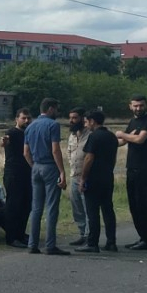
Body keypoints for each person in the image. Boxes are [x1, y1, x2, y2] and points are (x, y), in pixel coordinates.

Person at [22, 97, 69, 255]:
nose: (57, 112)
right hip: (50, 166)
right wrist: (62, 171)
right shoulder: (53, 125)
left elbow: (26, 152)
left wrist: (33, 166)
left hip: (36, 167)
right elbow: (55, 149)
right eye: (56, 109)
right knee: (51, 207)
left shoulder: (30, 126)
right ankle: (50, 245)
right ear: (50, 109)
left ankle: (32, 244)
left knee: (36, 208)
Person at [75, 107, 118, 252]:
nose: (85, 124)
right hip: (108, 177)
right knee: (108, 210)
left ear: (92, 121)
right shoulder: (111, 136)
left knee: (92, 211)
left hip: (94, 178)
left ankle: (92, 242)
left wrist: (83, 178)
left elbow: (89, 158)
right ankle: (111, 242)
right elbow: (114, 157)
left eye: (86, 122)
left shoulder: (93, 137)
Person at [121, 94, 147, 250]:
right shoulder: (133, 121)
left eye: (141, 105)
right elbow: (123, 141)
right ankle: (142, 237)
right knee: (133, 206)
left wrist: (121, 134)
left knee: (142, 205)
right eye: (135, 106)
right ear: (130, 106)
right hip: (131, 168)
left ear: (146, 105)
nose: (138, 108)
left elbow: (139, 139)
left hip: (143, 169)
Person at [0, 107, 34, 248]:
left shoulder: (29, 133)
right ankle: (11, 237)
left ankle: (20, 234)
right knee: (14, 206)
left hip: (27, 174)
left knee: (26, 205)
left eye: (28, 118)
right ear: (17, 119)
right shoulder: (12, 133)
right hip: (14, 174)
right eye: (23, 118)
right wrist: (3, 141)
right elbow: (3, 142)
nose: (26, 121)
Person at [64, 106, 89, 248]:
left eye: (75, 118)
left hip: (86, 177)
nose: (72, 121)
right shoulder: (72, 136)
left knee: (87, 207)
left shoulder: (90, 135)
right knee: (77, 207)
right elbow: (69, 152)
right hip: (74, 175)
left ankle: (89, 236)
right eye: (70, 118)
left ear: (82, 119)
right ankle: (82, 233)